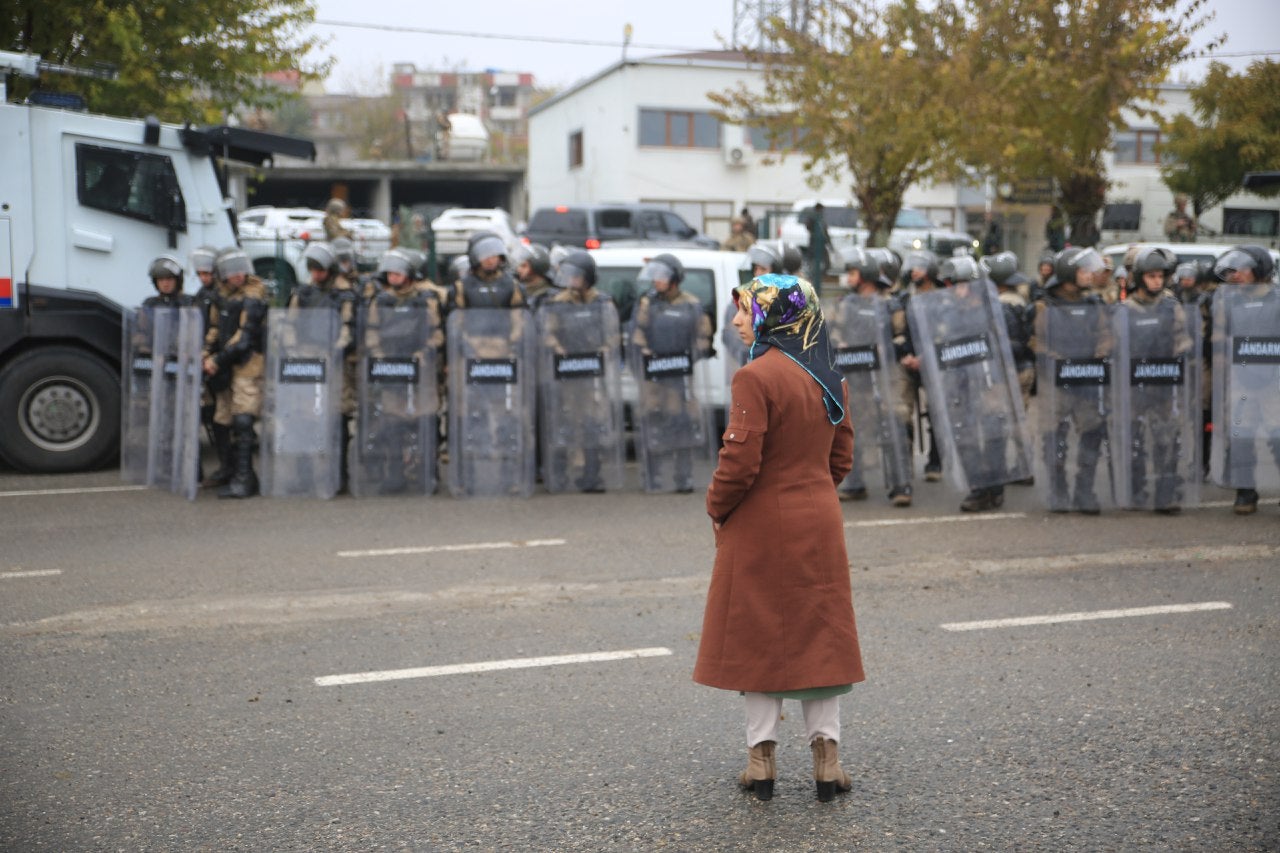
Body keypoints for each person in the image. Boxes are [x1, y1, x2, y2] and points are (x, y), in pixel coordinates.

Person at [694, 273, 865, 803]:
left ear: (774, 315)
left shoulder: (756, 376)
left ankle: (761, 762)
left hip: (762, 523)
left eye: (746, 310)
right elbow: (841, 458)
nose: (738, 321)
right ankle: (827, 763)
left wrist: (716, 507)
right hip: (819, 519)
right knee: (821, 637)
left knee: (758, 636)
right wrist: (811, 492)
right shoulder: (829, 375)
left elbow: (739, 463)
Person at [1032, 247, 1112, 514]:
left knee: (1091, 433)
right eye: (1083, 270)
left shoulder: (1093, 304)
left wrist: (1100, 355)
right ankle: (1058, 490)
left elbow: (1106, 335)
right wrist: (1057, 361)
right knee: (1054, 437)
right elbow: (1036, 341)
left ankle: (1084, 491)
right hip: (1055, 381)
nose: (1089, 275)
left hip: (1087, 380)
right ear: (1068, 273)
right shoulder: (1045, 305)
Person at [629, 253, 714, 492]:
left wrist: (692, 354)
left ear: (674, 279)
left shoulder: (691, 304)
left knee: (683, 424)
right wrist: (644, 353)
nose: (656, 281)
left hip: (681, 378)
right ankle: (652, 476)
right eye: (654, 276)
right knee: (653, 422)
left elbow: (702, 338)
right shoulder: (647, 303)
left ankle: (683, 476)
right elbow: (637, 334)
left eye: (661, 277)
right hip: (654, 378)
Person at [1119, 247, 1194, 513]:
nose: (1157, 281)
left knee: (1166, 440)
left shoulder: (1171, 307)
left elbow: (1183, 341)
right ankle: (1136, 492)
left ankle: (1166, 495)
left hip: (1163, 386)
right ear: (1140, 277)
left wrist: (1180, 357)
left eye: (1160, 276)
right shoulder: (1124, 310)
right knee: (1134, 440)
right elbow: (1114, 348)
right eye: (1151, 276)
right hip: (1134, 386)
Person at [1211, 245, 1279, 515]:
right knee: (1240, 435)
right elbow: (1218, 339)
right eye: (1233, 269)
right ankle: (1245, 491)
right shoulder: (1228, 300)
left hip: (1275, 379)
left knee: (1278, 436)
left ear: (1259, 270)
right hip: (1240, 379)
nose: (1235, 275)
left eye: (1242, 269)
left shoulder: (1276, 298)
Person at [288, 241, 360, 492]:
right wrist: (293, 352)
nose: (316, 275)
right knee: (304, 418)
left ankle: (340, 475)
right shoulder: (303, 293)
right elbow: (290, 325)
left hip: (334, 360)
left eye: (320, 270)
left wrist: (337, 350)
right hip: (307, 359)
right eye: (312, 269)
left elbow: (348, 327)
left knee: (337, 418)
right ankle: (305, 474)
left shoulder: (344, 294)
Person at [202, 249, 268, 499]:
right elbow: (215, 329)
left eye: (241, 269)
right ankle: (229, 470)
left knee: (243, 418)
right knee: (221, 418)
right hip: (226, 364)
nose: (238, 275)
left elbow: (244, 337)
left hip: (248, 364)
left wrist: (217, 360)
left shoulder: (253, 296)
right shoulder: (220, 296)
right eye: (231, 271)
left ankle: (245, 478)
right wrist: (205, 353)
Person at [512, 243, 556, 310]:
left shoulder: (549, 294)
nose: (519, 269)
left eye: (524, 266)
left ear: (537, 266)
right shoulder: (516, 288)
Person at [803, 203, 831, 285]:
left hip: (822, 244)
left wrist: (829, 243)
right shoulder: (813, 218)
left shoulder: (821, 220)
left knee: (827, 263)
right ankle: (812, 278)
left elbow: (825, 232)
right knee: (812, 262)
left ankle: (819, 277)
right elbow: (808, 226)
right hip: (814, 245)